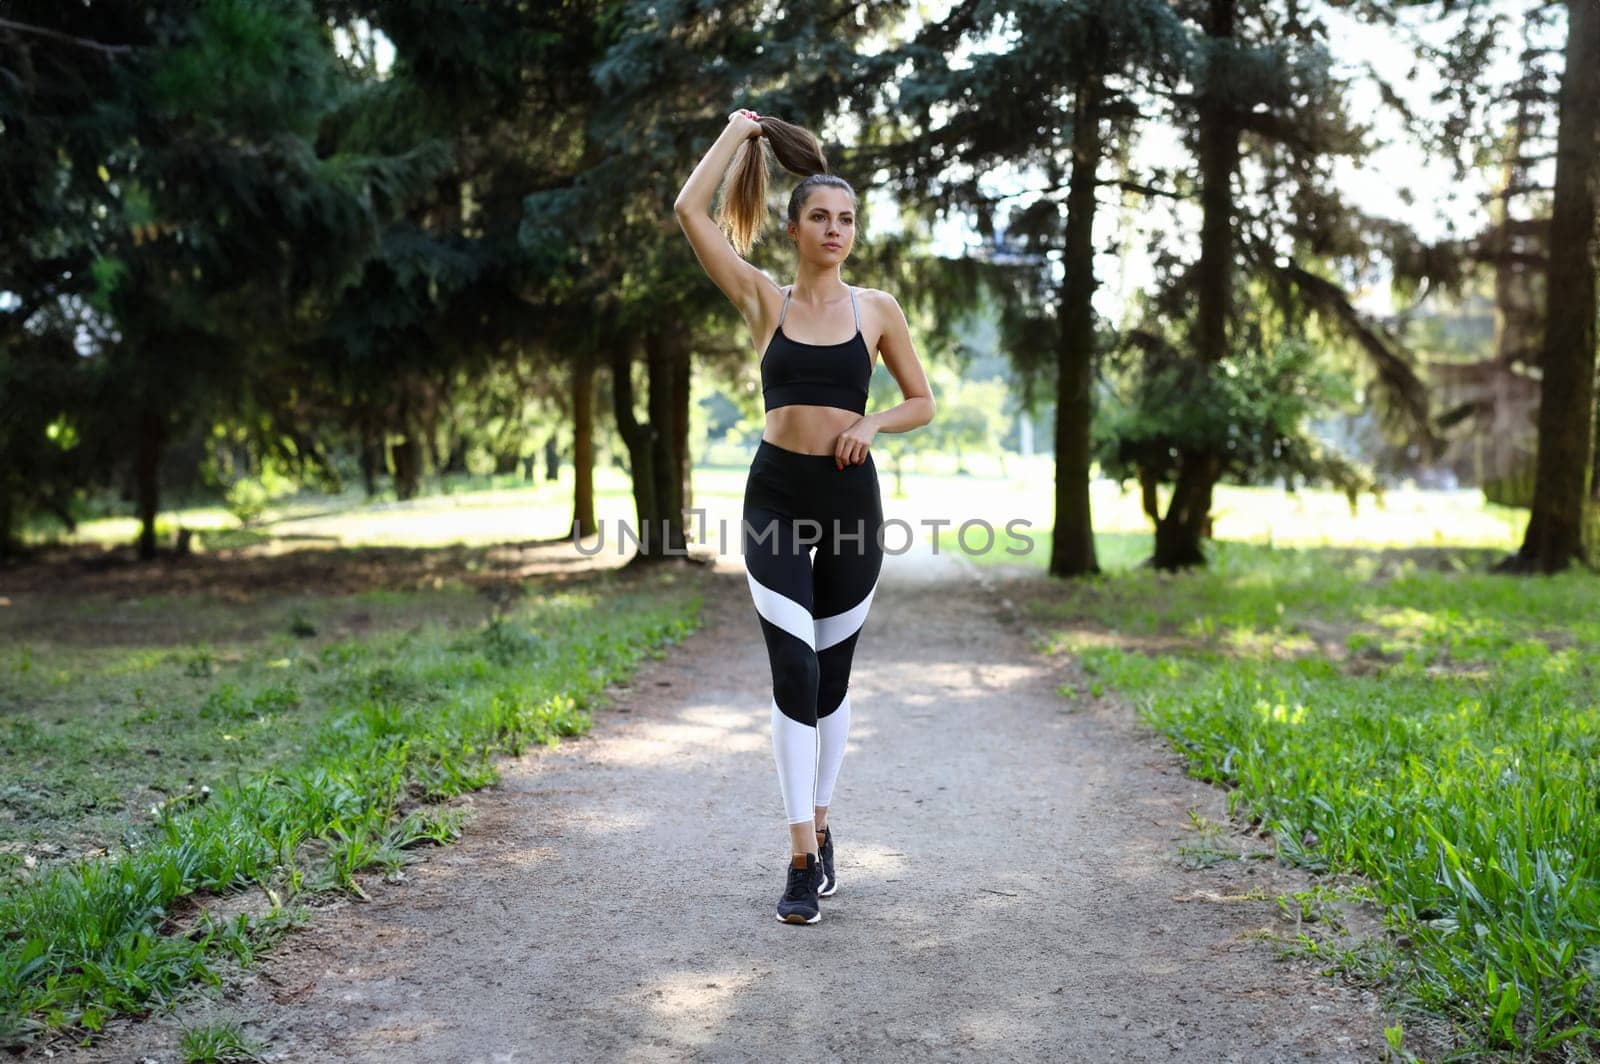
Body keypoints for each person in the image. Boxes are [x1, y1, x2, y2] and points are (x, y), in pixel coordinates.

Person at [673, 107, 936, 925]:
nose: (836, 229)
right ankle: (796, 856)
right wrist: (736, 131)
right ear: (792, 227)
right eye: (820, 216)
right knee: (794, 673)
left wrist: (871, 422)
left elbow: (922, 401)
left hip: (851, 503)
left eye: (847, 218)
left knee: (832, 678)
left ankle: (823, 830)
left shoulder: (876, 309)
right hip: (778, 497)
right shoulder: (763, 299)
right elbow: (689, 210)